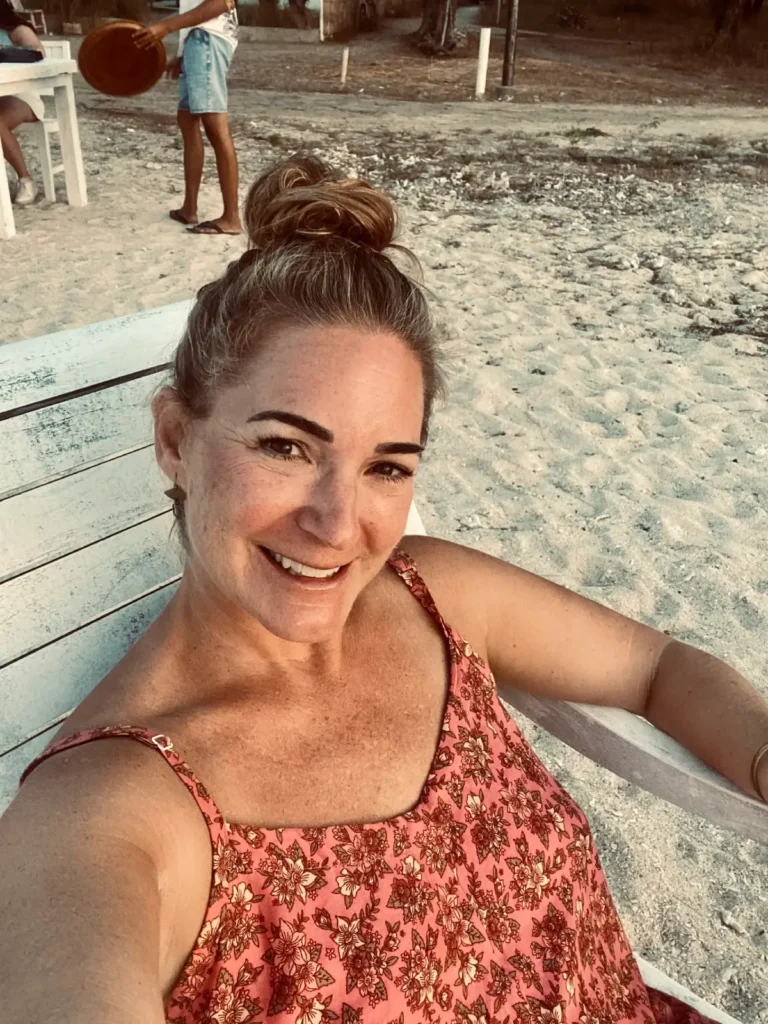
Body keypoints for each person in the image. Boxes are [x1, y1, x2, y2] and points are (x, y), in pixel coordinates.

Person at [1, 156, 766, 1024]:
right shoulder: (104, 813)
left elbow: (658, 667)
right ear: (176, 438)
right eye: (286, 447)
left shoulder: (434, 595)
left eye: (386, 467)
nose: (337, 525)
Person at [134, 0, 241, 235]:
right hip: (197, 42)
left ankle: (231, 218)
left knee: (215, 125)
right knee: (187, 120)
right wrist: (183, 54)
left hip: (208, 39)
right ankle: (189, 208)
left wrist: (165, 27)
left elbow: (222, 3)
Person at [0, 0, 45, 206]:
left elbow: (38, 53)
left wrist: (5, 53)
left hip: (24, 96)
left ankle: (26, 180)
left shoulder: (17, 30)